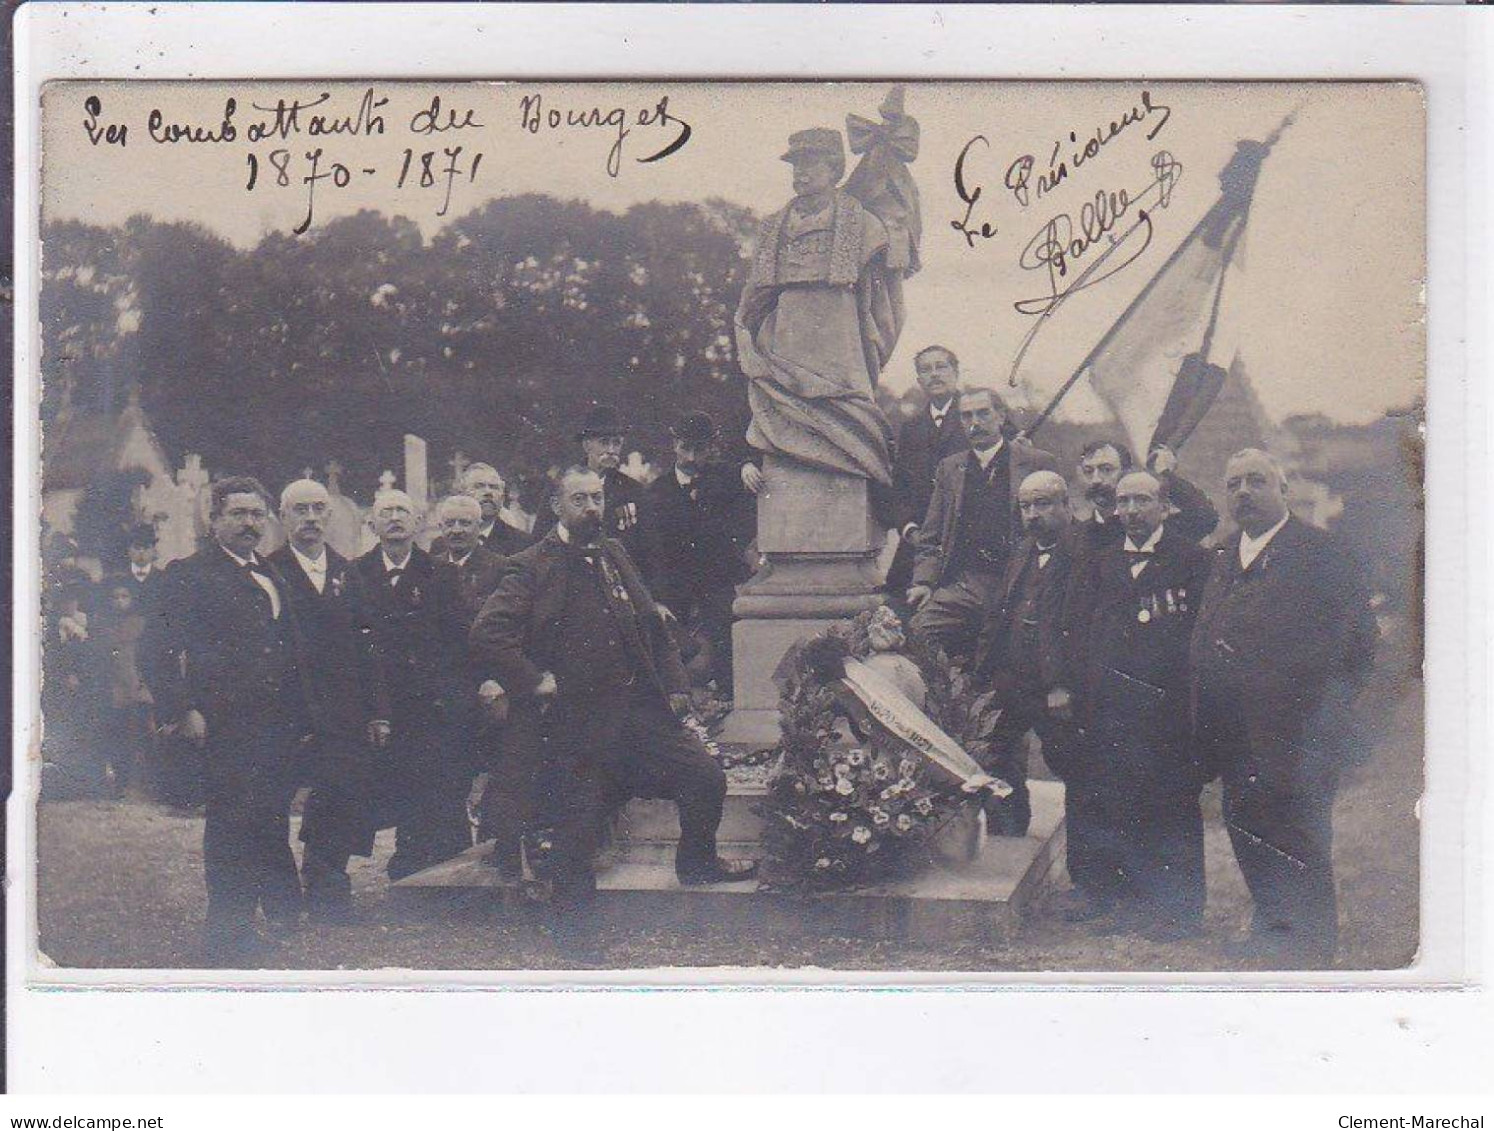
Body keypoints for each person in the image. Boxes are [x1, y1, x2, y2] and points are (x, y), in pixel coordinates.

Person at [470, 466, 756, 937]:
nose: (591, 509)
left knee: (704, 776)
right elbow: (488, 633)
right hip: (572, 724)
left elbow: (649, 622)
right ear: (557, 507)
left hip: (637, 714)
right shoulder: (530, 564)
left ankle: (698, 864)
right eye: (579, 500)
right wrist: (533, 679)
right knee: (577, 827)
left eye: (597, 498)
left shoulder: (613, 552)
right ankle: (576, 939)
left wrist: (677, 685)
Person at [1190, 449, 1376, 967]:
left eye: (1256, 481)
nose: (1243, 492)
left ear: (1282, 491)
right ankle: (1273, 930)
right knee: (1249, 830)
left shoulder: (1320, 553)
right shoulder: (1225, 555)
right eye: (1234, 484)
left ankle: (1311, 950)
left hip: (1299, 736)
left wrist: (1323, 721)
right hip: (1235, 735)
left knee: (1298, 836)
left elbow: (1358, 645)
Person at [142, 476, 306, 964]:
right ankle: (228, 932)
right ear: (213, 520)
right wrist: (182, 708)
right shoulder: (189, 574)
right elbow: (155, 650)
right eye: (238, 514)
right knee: (232, 825)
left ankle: (275, 912)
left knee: (269, 818)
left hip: (274, 727)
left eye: (257, 515)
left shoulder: (271, 573)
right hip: (225, 725)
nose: (249, 524)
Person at [1063, 470, 1215, 938]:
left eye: (1142, 501)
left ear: (1165, 507)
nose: (1130, 511)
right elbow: (1078, 630)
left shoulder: (1194, 560)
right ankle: (1126, 903)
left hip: (1168, 710)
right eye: (1123, 502)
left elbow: (1203, 636)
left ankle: (1180, 911)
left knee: (1172, 806)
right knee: (1119, 802)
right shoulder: (1099, 562)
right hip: (1112, 709)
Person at [734, 125, 913, 486]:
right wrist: (744, 330)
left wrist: (874, 348)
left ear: (834, 169)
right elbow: (755, 297)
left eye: (810, 163)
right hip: (786, 335)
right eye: (796, 165)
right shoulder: (772, 227)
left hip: (838, 336)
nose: (800, 173)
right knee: (785, 413)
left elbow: (885, 303)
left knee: (845, 416)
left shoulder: (864, 225)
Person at [267, 479, 390, 921]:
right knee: (275, 799)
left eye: (319, 509)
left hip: (343, 711)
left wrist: (377, 711)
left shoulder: (346, 572)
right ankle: (280, 891)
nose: (311, 518)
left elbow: (369, 646)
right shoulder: (270, 571)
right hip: (289, 709)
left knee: (341, 796)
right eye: (301, 510)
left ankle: (326, 882)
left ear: (331, 516)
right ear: (283, 518)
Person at [355, 489, 474, 881]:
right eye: (386, 512)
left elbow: (459, 640)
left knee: (440, 784)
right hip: (381, 698)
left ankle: (447, 872)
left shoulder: (442, 573)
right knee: (395, 784)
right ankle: (406, 861)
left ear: (419, 523)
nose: (395, 519)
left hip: (431, 700)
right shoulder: (355, 573)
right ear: (372, 524)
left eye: (403, 512)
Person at [907, 388, 1061, 659]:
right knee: (917, 633)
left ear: (1000, 416)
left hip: (1022, 582)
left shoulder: (1037, 461)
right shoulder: (950, 468)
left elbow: (1060, 527)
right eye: (966, 416)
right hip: (965, 584)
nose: (975, 423)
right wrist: (923, 582)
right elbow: (930, 536)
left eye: (983, 413)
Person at [971, 471, 1080, 841]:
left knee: (1076, 769)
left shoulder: (1086, 551)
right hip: (1011, 680)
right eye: (1026, 506)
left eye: (1043, 504)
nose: (1033, 514)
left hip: (1057, 690)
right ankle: (1009, 837)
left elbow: (1088, 627)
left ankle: (1085, 871)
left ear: (1067, 505)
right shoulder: (1022, 550)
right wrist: (983, 675)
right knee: (994, 755)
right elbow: (998, 613)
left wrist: (1064, 684)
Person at [432, 493, 525, 880]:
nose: (457, 531)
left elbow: (512, 630)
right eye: (450, 524)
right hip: (449, 688)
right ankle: (449, 855)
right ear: (440, 528)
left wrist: (498, 678)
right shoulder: (431, 569)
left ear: (478, 527)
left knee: (503, 769)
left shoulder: (501, 568)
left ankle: (500, 846)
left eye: (465, 523)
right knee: (449, 772)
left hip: (492, 685)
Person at [646, 410, 756, 693]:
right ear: (674, 445)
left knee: (726, 646)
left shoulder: (728, 479)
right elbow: (653, 549)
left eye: (701, 448)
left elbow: (746, 520)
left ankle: (728, 699)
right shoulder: (656, 493)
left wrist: (746, 465)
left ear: (713, 446)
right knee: (675, 658)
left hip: (718, 583)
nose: (693, 458)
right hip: (676, 588)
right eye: (687, 448)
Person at [884, 345, 971, 597]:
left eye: (941, 366)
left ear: (955, 372)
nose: (934, 374)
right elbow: (900, 487)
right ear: (919, 380)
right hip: (919, 544)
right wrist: (909, 528)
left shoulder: (979, 415)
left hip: (966, 543)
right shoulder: (911, 428)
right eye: (926, 369)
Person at [532, 404, 657, 577]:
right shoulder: (562, 485)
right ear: (587, 445)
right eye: (604, 442)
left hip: (619, 581)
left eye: (616, 443)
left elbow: (649, 550)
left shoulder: (633, 490)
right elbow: (540, 541)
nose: (611, 450)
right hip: (571, 579)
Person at [1075, 440, 1219, 552]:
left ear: (1127, 473)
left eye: (1106, 470)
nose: (1096, 480)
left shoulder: (1154, 526)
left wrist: (1165, 474)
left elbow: (1205, 517)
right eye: (1088, 471)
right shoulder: (1075, 538)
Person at [431, 463, 532, 557]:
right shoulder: (441, 545)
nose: (488, 492)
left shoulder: (522, 543)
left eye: (494, 487)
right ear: (462, 494)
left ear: (502, 497)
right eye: (479, 486)